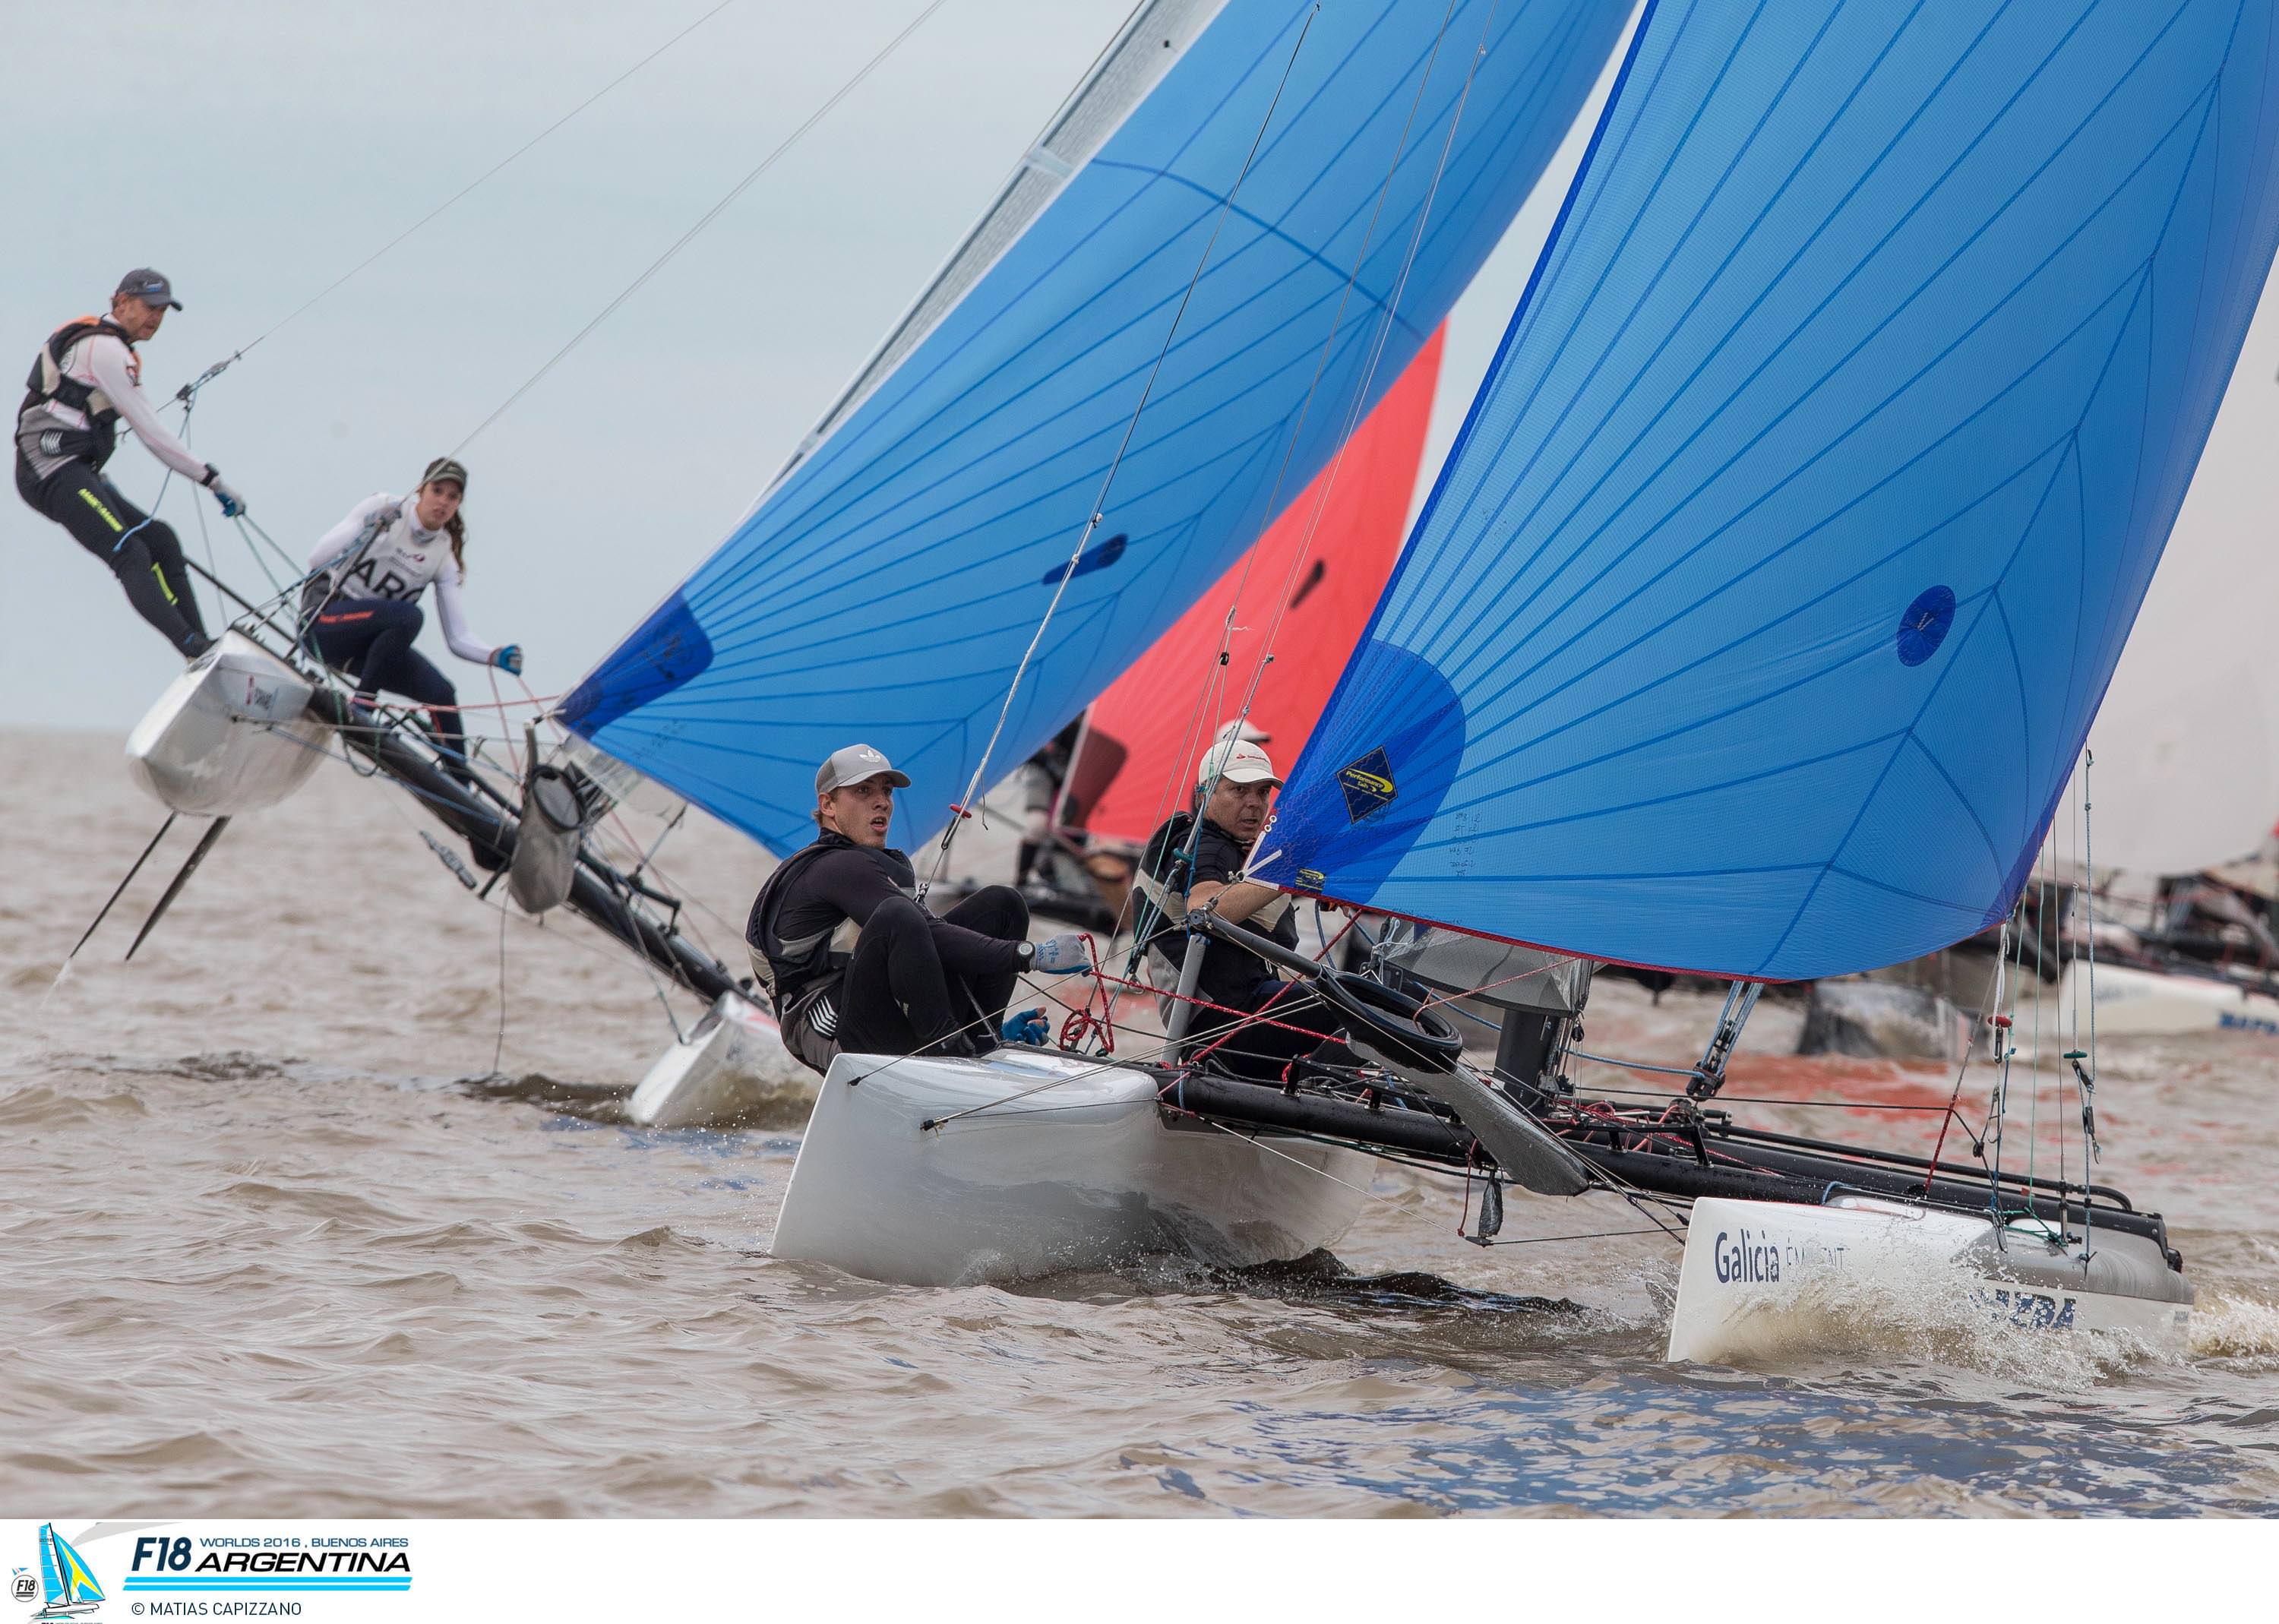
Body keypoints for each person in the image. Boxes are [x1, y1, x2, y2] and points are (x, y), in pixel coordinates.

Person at [746, 744, 1094, 1076]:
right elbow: (930, 934)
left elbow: (923, 953)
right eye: (864, 791)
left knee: (1003, 906)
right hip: (833, 1031)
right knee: (900, 915)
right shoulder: (834, 867)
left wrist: (995, 1024)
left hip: (878, 1013)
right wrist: (1031, 955)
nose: (882, 802)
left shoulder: (861, 865)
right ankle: (950, 1052)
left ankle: (983, 1038)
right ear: (828, 805)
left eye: (886, 791)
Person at [14, 268, 245, 659]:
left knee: (162, 541)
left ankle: (202, 648)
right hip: (50, 471)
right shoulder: (106, 351)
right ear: (122, 302)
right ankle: (193, 646)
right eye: (149, 307)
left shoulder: (110, 348)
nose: (156, 317)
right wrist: (212, 481)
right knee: (129, 552)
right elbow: (151, 432)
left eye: (162, 311)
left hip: (75, 470)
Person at [1138, 736, 1345, 1082]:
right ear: (1204, 796)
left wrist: (1323, 884)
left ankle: (1315, 1082)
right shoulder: (1203, 846)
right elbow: (1203, 909)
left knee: (1360, 999)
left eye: (1262, 792)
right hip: (1224, 1029)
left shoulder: (1235, 849)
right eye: (1239, 791)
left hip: (1237, 1021)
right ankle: (1317, 1083)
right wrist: (1288, 875)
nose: (1254, 803)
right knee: (1359, 1003)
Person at [302, 457, 521, 779]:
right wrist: (367, 526)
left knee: (442, 694)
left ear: (458, 504)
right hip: (324, 625)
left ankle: (460, 784)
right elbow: (316, 558)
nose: (443, 502)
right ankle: (364, 705)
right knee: (409, 617)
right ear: (421, 490)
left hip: (368, 651)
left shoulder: (444, 558)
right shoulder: (385, 507)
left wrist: (494, 656)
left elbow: (458, 638)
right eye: (438, 491)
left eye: (452, 497)